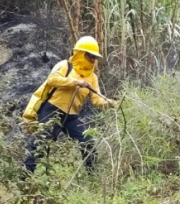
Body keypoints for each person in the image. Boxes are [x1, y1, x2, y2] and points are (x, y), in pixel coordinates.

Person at [23, 36, 117, 174]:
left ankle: (93, 176)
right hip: (52, 110)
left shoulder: (92, 77)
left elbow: (97, 100)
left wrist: (112, 104)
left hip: (71, 117)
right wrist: (76, 83)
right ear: (80, 53)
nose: (92, 60)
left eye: (94, 57)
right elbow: (52, 79)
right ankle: (25, 176)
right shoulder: (65, 66)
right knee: (40, 144)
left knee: (88, 143)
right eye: (90, 56)